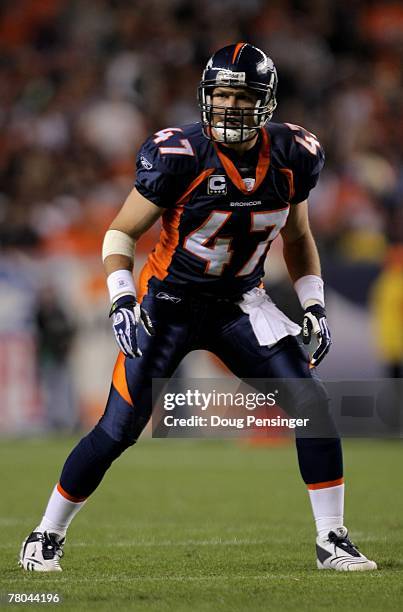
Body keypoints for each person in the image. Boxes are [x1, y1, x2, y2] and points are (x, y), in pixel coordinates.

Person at [19, 43, 377, 572]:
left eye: (244, 95)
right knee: (118, 430)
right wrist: (121, 296)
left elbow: (298, 237)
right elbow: (120, 231)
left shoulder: (292, 156)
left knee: (313, 404)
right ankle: (46, 533)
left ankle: (332, 539)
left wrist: (314, 304)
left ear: (266, 101)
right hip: (168, 305)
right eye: (224, 94)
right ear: (208, 97)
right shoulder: (179, 154)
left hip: (240, 305)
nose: (232, 105)